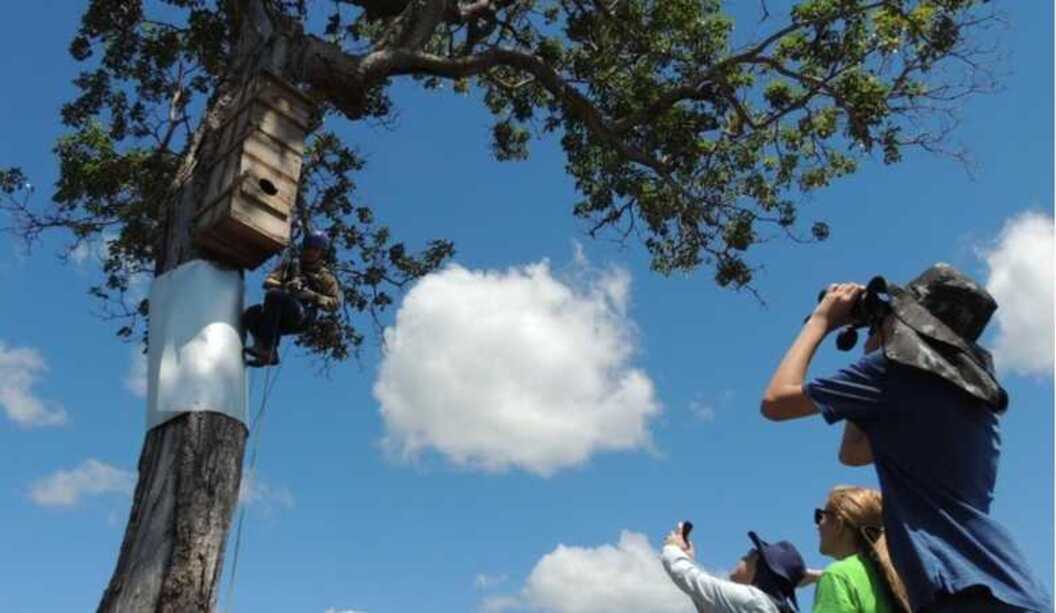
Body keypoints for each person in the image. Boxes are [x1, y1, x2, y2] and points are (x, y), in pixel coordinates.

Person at [761, 263, 1050, 612]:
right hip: (1009, 589)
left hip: (963, 595)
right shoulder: (975, 397)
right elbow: (852, 453)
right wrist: (871, 366)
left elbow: (776, 402)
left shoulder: (894, 374)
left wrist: (820, 322)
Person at [242, 231, 341, 366]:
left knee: (275, 295)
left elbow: (334, 303)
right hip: (278, 313)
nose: (310, 252)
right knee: (251, 314)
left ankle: (268, 349)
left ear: (321, 253)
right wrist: (286, 286)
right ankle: (266, 352)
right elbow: (268, 282)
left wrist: (311, 295)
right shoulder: (290, 266)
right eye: (308, 248)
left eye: (315, 249)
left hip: (301, 317)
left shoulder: (325, 277)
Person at [662, 523, 811, 612]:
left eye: (752, 554)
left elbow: (689, 578)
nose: (743, 556)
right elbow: (706, 599)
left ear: (762, 570)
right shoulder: (762, 605)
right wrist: (688, 559)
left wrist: (672, 547)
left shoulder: (752, 600)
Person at [813, 486, 908, 613]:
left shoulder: (837, 576)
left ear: (838, 524)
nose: (817, 526)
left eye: (820, 516)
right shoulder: (899, 574)